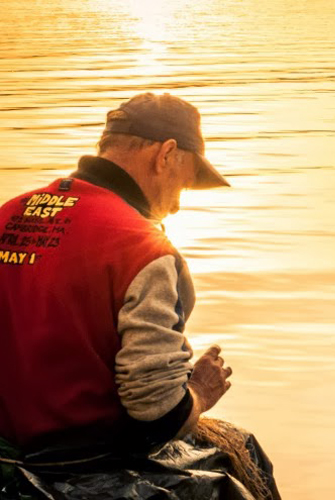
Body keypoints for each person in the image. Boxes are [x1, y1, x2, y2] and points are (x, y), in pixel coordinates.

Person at [0, 93, 280, 499]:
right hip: (81, 462)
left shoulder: (10, 213)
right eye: (184, 182)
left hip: (10, 458)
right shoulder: (142, 248)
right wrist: (200, 391)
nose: (179, 205)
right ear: (166, 154)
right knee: (242, 459)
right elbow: (156, 414)